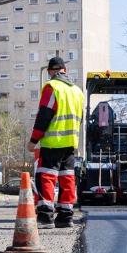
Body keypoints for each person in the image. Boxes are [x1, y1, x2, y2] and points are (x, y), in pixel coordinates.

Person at [28, 57, 84, 229]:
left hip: (53, 142)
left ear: (51, 71)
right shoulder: (77, 91)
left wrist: (34, 140)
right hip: (70, 143)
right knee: (67, 178)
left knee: (45, 176)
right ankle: (65, 217)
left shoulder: (52, 87)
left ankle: (45, 217)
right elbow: (80, 119)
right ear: (64, 70)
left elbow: (44, 116)